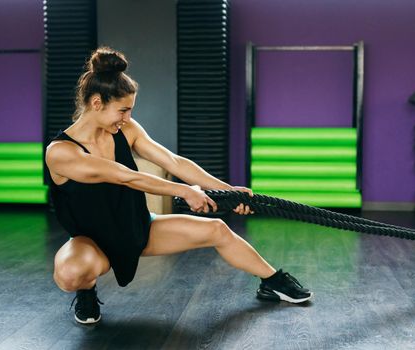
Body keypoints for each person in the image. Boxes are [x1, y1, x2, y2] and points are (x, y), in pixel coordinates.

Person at [45, 47, 313, 325]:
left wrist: (229, 191)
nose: (126, 118)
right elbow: (124, 176)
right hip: (92, 243)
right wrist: (184, 191)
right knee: (71, 272)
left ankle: (273, 281)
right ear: (97, 103)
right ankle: (86, 292)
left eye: (130, 111)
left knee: (217, 230)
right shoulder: (61, 153)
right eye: (122, 110)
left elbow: (174, 162)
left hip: (137, 228)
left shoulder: (125, 130)